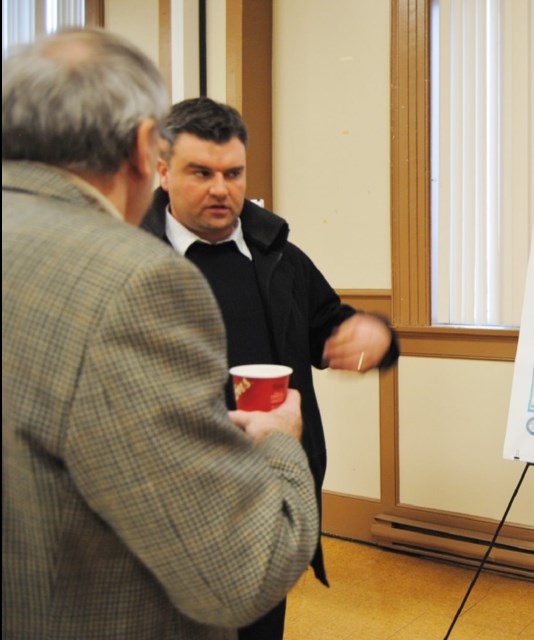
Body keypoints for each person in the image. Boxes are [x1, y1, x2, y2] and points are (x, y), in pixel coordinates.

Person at [2, 29, 321, 639]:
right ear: (148, 150)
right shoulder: (137, 280)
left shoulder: (279, 255)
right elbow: (238, 574)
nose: (221, 189)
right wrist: (282, 443)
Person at [140, 97, 400, 640]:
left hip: (266, 488)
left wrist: (374, 334)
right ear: (162, 172)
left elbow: (332, 324)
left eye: (233, 173)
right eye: (201, 173)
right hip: (168, 495)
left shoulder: (278, 257)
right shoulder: (132, 261)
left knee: (261, 627)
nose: (221, 189)